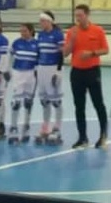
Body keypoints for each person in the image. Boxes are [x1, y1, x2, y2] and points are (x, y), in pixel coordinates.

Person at [63, 4, 110, 149]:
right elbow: (65, 53)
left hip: (92, 71)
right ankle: (82, 137)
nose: (78, 18)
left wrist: (92, 53)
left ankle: (103, 136)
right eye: (76, 15)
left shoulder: (98, 30)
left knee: (98, 104)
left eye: (80, 15)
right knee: (79, 106)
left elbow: (106, 50)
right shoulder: (72, 31)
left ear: (87, 15)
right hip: (77, 72)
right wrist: (72, 41)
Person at [34, 10, 65, 145]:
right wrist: (36, 67)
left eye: (43, 20)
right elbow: (38, 52)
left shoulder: (58, 34)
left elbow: (62, 54)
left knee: (56, 101)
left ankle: (57, 128)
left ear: (49, 21)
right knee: (44, 101)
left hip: (53, 69)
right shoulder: (40, 35)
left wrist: (58, 71)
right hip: (42, 69)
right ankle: (45, 126)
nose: (40, 23)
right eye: (40, 20)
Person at [7, 23, 40, 144]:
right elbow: (9, 56)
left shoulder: (37, 44)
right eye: (21, 31)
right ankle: (13, 128)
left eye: (25, 31)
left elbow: (39, 60)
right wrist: (7, 70)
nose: (22, 33)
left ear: (31, 31)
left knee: (28, 102)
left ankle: (26, 127)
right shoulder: (16, 43)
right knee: (16, 102)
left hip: (31, 74)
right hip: (18, 73)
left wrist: (37, 71)